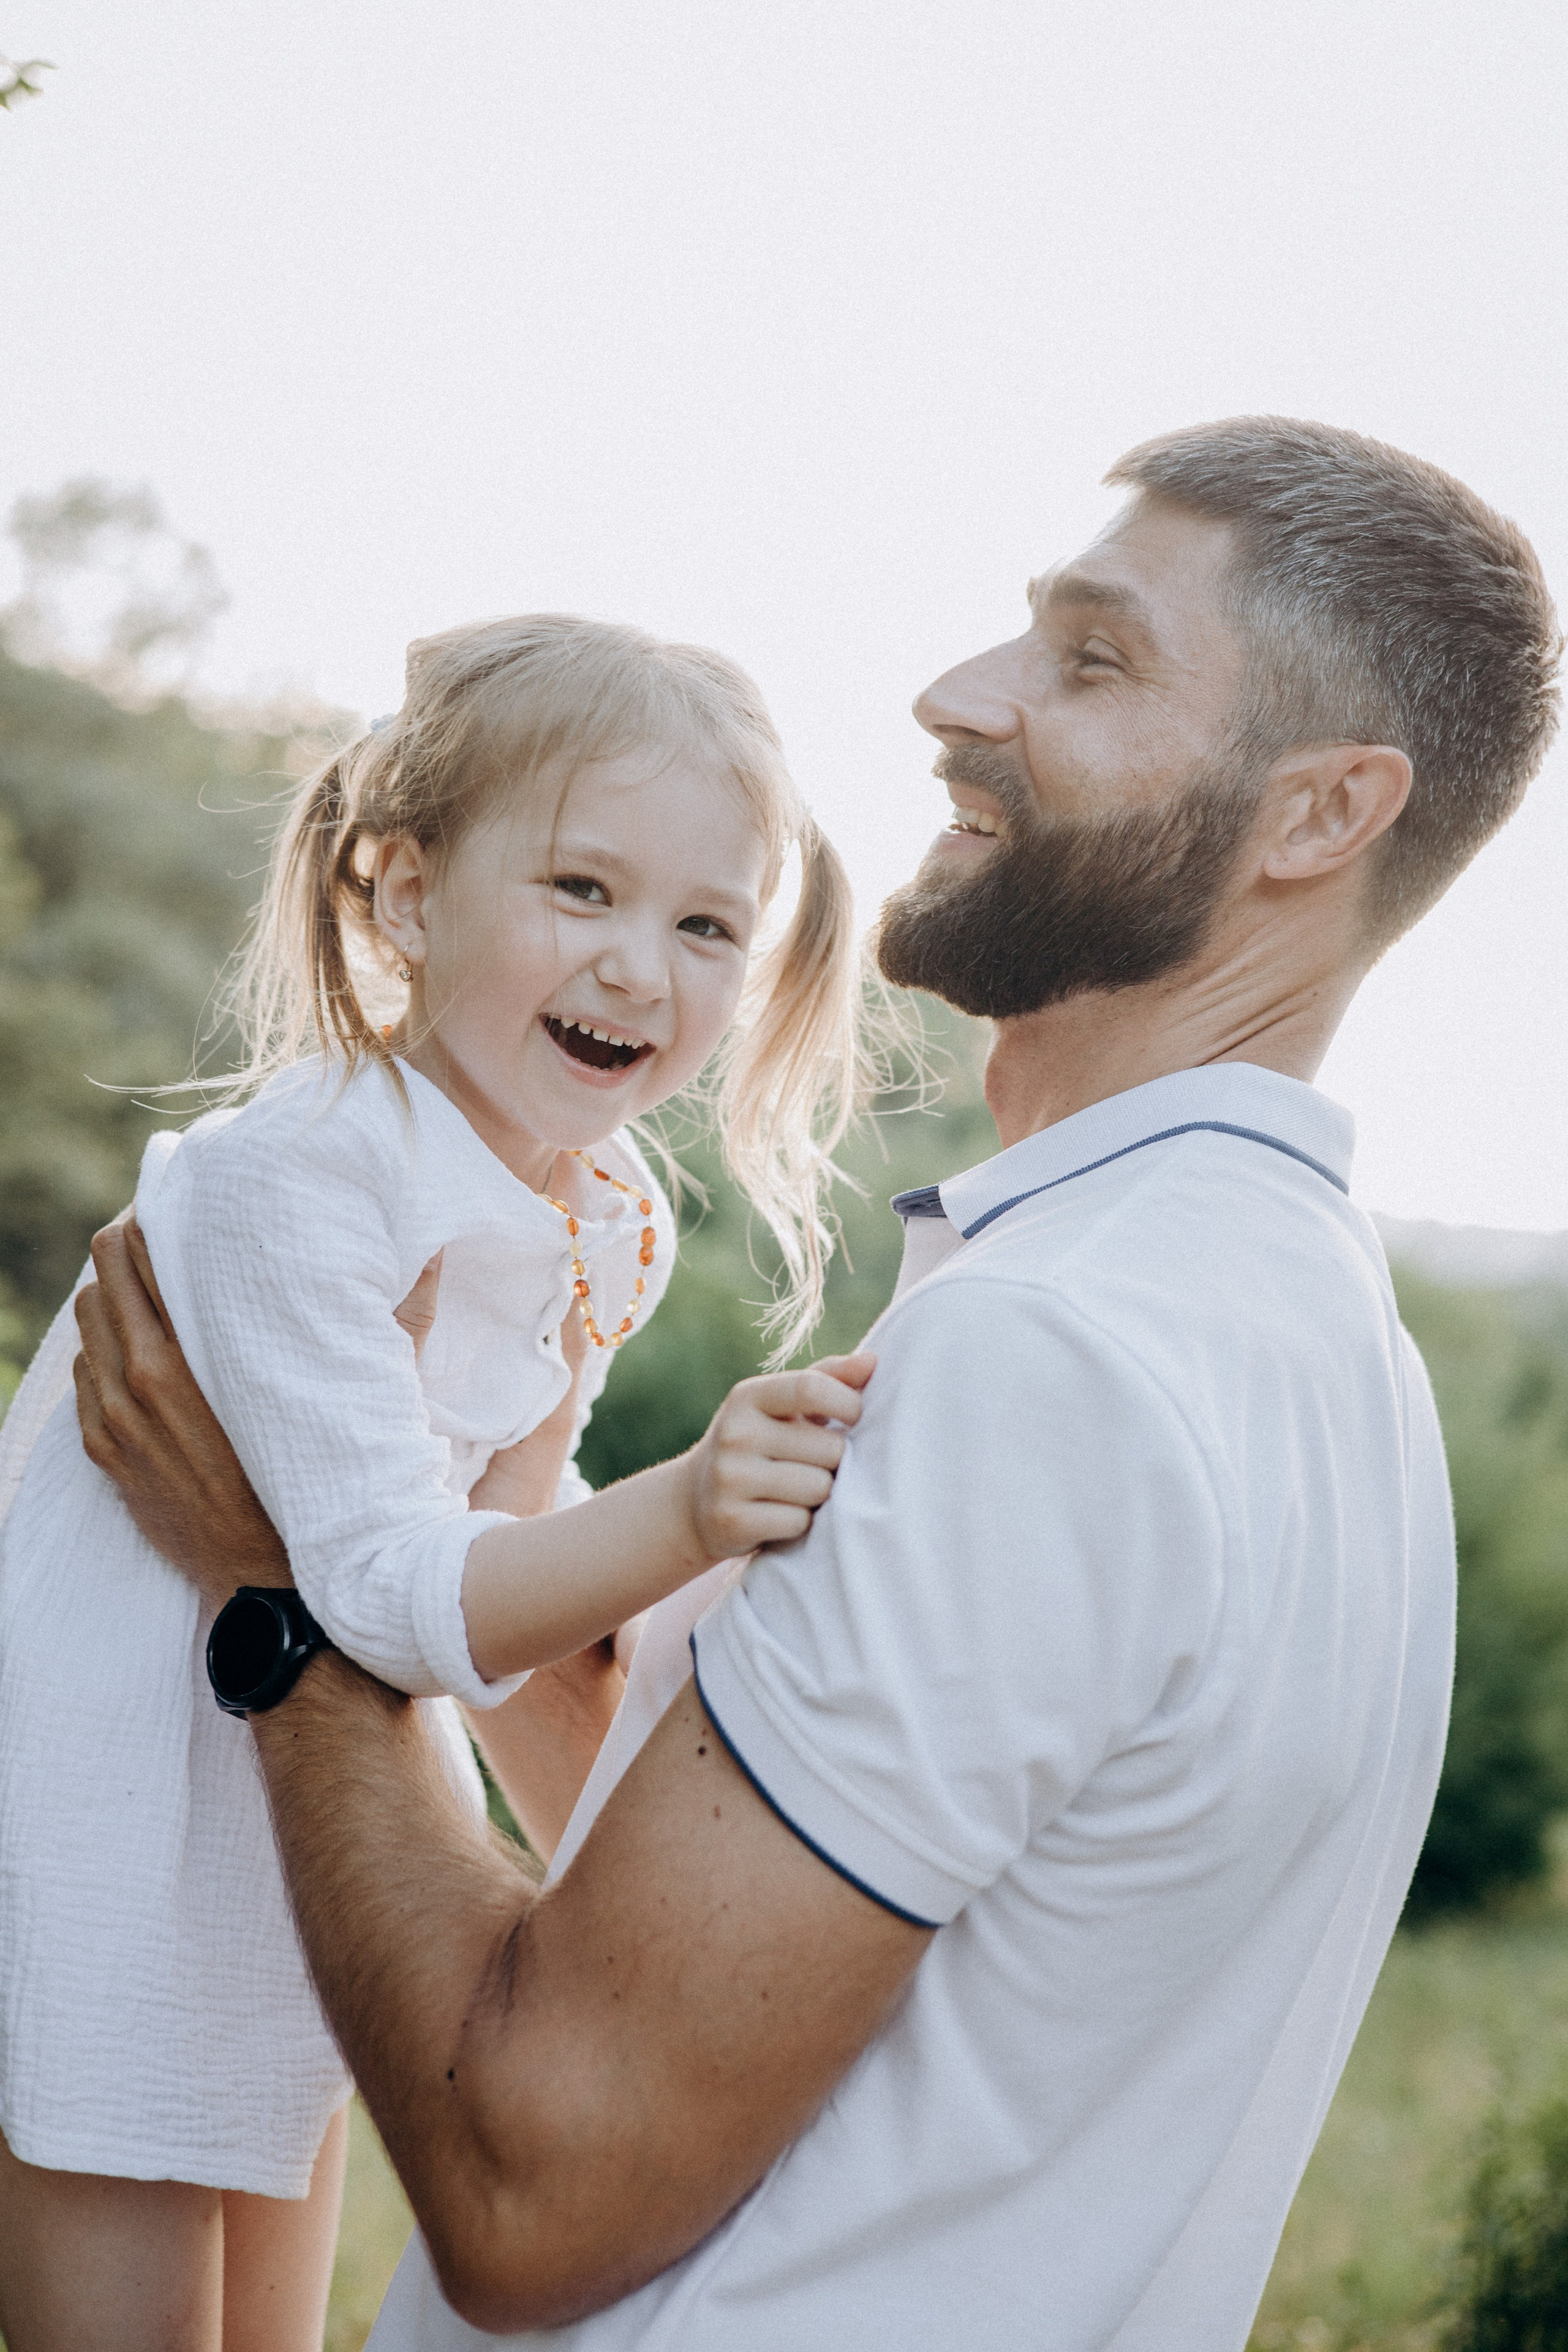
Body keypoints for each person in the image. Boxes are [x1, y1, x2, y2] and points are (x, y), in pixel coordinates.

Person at [65, 418, 1561, 2351]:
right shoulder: (1326, 1353)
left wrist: (276, 1601)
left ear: (1322, 814)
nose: (957, 697)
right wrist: (502, 1515)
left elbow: (532, 2196)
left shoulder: (1063, 1355)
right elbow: (726, 1878)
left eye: (1092, 660)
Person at [0, 614, 880, 2352]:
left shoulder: (603, 1209)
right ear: (405, 894)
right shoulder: (299, 1179)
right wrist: (693, 1506)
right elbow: (397, 1595)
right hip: (108, 1845)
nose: (641, 969)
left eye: (706, 925)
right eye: (581, 889)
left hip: (299, 1841)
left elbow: (514, 1550)